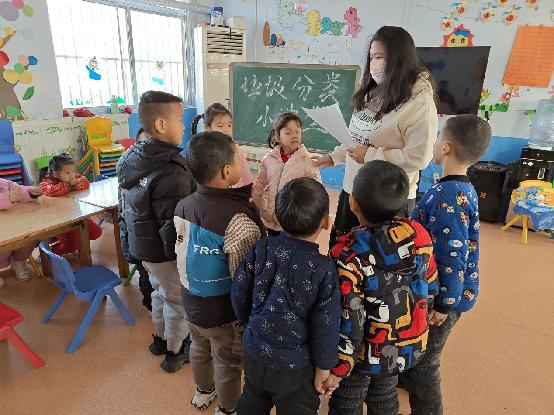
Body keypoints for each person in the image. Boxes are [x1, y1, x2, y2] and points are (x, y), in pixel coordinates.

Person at [322, 160, 438, 415]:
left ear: (353, 203)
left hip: (361, 354)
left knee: (348, 400)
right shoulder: (420, 236)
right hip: (405, 346)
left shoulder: (347, 255)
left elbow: (349, 319)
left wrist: (340, 367)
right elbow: (430, 287)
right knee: (385, 396)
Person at [313, 25, 438, 248]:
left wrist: (370, 156)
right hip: (354, 189)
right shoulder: (373, 92)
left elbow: (419, 157)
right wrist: (333, 157)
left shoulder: (419, 100)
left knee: (380, 259)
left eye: (379, 57)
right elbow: (356, 138)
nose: (373, 64)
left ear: (399, 59)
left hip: (386, 199)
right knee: (344, 251)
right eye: (371, 57)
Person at [398, 114, 492, 414]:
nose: (435, 142)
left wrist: (443, 305)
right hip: (444, 292)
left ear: (447, 147)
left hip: (443, 299)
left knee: (425, 365)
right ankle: (406, 377)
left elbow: (452, 257)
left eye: (439, 136)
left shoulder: (447, 196)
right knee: (420, 352)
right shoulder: (459, 188)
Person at [231, 177, 341, 415]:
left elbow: (239, 291)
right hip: (296, 368)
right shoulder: (323, 269)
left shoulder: (261, 248)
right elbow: (327, 324)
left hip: (254, 352)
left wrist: (249, 322)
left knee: (252, 399)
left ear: (278, 218)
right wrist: (324, 367)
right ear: (326, 222)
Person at [174, 131, 266, 415]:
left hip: (191, 301)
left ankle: (203, 392)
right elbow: (244, 277)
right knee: (227, 363)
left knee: (199, 348)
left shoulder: (183, 205)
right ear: (227, 171)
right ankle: (228, 408)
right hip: (224, 313)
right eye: (238, 159)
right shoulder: (238, 219)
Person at [117, 90, 196, 373]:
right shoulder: (172, 170)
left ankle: (161, 339)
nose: (183, 126)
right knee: (177, 302)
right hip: (165, 253)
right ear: (161, 125)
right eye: (180, 120)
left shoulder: (131, 156)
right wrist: (185, 257)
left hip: (143, 247)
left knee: (160, 294)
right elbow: (176, 226)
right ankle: (175, 350)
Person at [252, 111, 320, 236]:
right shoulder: (269, 159)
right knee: (271, 244)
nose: (294, 136)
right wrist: (255, 205)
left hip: (292, 220)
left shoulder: (308, 161)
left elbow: (316, 190)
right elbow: (260, 184)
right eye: (288, 133)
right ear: (277, 137)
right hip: (269, 218)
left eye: (297, 132)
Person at [39, 154, 103, 255]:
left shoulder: (73, 177)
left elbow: (85, 182)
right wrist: (70, 186)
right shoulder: (47, 182)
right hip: (61, 221)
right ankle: (49, 252)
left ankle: (79, 245)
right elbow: (52, 190)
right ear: (55, 174)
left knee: (96, 232)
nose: (72, 175)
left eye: (73, 171)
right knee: (73, 244)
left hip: (78, 216)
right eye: (67, 173)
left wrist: (73, 185)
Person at [191, 103, 253, 188]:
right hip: (215, 193)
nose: (226, 130)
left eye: (229, 125)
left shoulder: (236, 151)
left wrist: (249, 189)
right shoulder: (204, 153)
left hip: (238, 192)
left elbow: (247, 176)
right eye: (220, 126)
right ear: (207, 128)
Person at [0, 178, 42, 287]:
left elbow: (18, 189)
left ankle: (18, 262)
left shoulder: (3, 183)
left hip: (11, 227)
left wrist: (30, 192)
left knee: (29, 237)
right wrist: (8, 198)